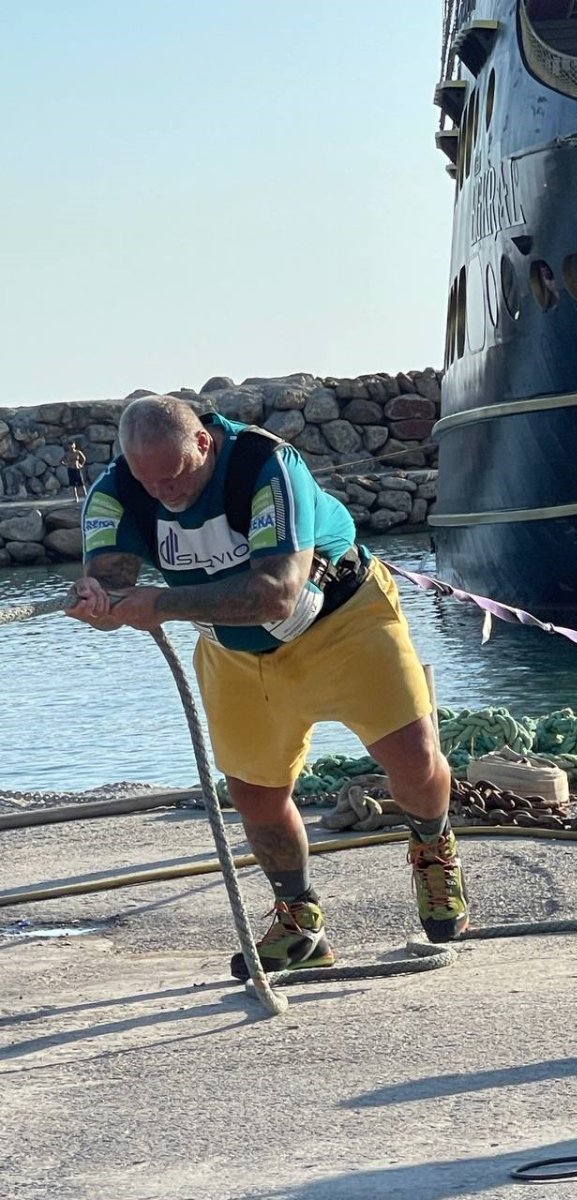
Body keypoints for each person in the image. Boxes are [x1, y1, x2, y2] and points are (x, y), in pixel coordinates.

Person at [65, 395, 469, 980]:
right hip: (234, 648)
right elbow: (112, 585)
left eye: (174, 477)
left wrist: (161, 603)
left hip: (344, 620)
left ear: (202, 442)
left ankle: (433, 848)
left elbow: (277, 592)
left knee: (411, 757)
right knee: (255, 793)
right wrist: (99, 602)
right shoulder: (117, 489)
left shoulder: (266, 466)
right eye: (148, 482)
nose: (164, 494)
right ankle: (298, 919)